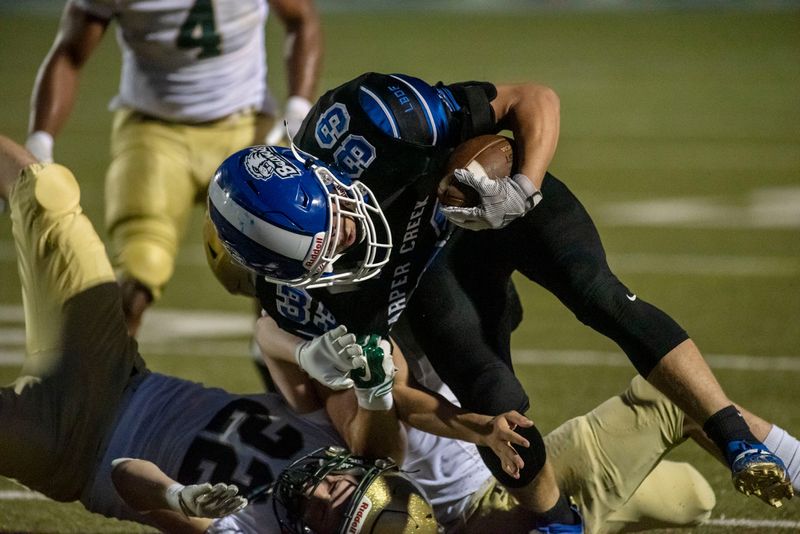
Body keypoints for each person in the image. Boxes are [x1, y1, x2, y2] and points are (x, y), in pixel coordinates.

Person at [0, 135, 728, 534]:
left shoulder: (256, 528)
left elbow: (133, 479)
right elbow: (374, 423)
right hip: (123, 373)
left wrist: (183, 500)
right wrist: (401, 393)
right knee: (47, 191)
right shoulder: (362, 460)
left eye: (331, 508)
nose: (330, 489)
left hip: (76, 450)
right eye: (352, 490)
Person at [207, 73, 795, 529]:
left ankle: (732, 430)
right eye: (320, 261)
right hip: (431, 272)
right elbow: (380, 396)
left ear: (318, 176)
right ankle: (557, 525)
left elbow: (533, 98)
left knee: (599, 294)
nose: (344, 251)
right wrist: (382, 386)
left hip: (494, 208)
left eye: (335, 230)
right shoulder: (318, 290)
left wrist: (525, 186)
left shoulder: (376, 121)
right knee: (493, 394)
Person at [25, 0, 322, 337]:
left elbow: (301, 19)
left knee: (281, 273)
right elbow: (70, 53)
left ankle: (281, 377)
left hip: (247, 125)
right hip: (155, 132)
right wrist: (40, 143)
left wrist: (299, 108)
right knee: (140, 269)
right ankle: (102, 385)